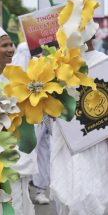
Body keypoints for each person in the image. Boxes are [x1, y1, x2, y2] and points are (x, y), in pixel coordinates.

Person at [0, 26, 38, 215]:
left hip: (18, 153)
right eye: (4, 45)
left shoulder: (19, 76)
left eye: (11, 44)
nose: (10, 49)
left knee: (20, 203)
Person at [50, 37, 108, 215]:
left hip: (99, 142)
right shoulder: (59, 64)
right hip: (70, 142)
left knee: (95, 195)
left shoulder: (103, 63)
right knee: (71, 193)